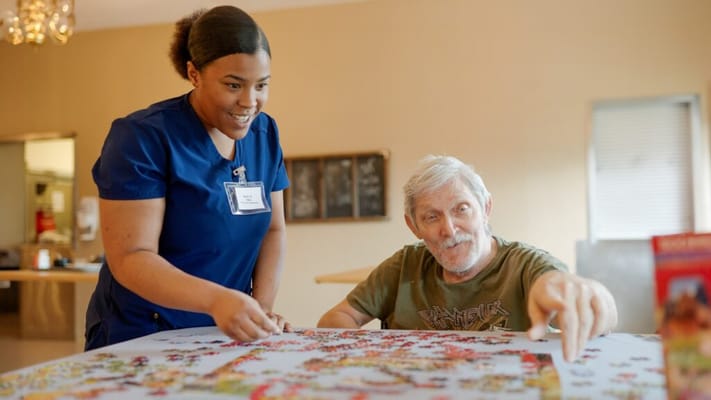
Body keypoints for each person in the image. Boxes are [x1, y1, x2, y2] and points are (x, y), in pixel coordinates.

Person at [85, 5, 290, 350]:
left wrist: (261, 309)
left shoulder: (265, 134)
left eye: (261, 86)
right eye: (233, 85)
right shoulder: (142, 137)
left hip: (223, 330)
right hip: (141, 332)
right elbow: (132, 256)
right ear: (194, 73)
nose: (249, 102)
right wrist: (216, 300)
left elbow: (273, 228)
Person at [318, 155, 618, 362]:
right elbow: (336, 318)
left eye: (461, 209)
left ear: (485, 208)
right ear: (414, 226)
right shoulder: (403, 265)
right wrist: (366, 358)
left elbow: (573, 295)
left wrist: (592, 298)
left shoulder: (527, 264)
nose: (448, 229)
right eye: (431, 216)